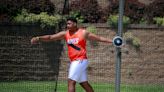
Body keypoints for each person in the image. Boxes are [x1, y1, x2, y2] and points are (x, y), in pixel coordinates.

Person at [31, 17, 113, 92]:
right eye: (67, 24)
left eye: (69, 23)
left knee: (71, 82)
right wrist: (38, 38)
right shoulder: (65, 34)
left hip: (80, 60)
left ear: (75, 24)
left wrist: (112, 41)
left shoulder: (83, 33)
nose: (67, 25)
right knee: (84, 83)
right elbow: (50, 37)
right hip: (75, 61)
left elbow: (99, 38)